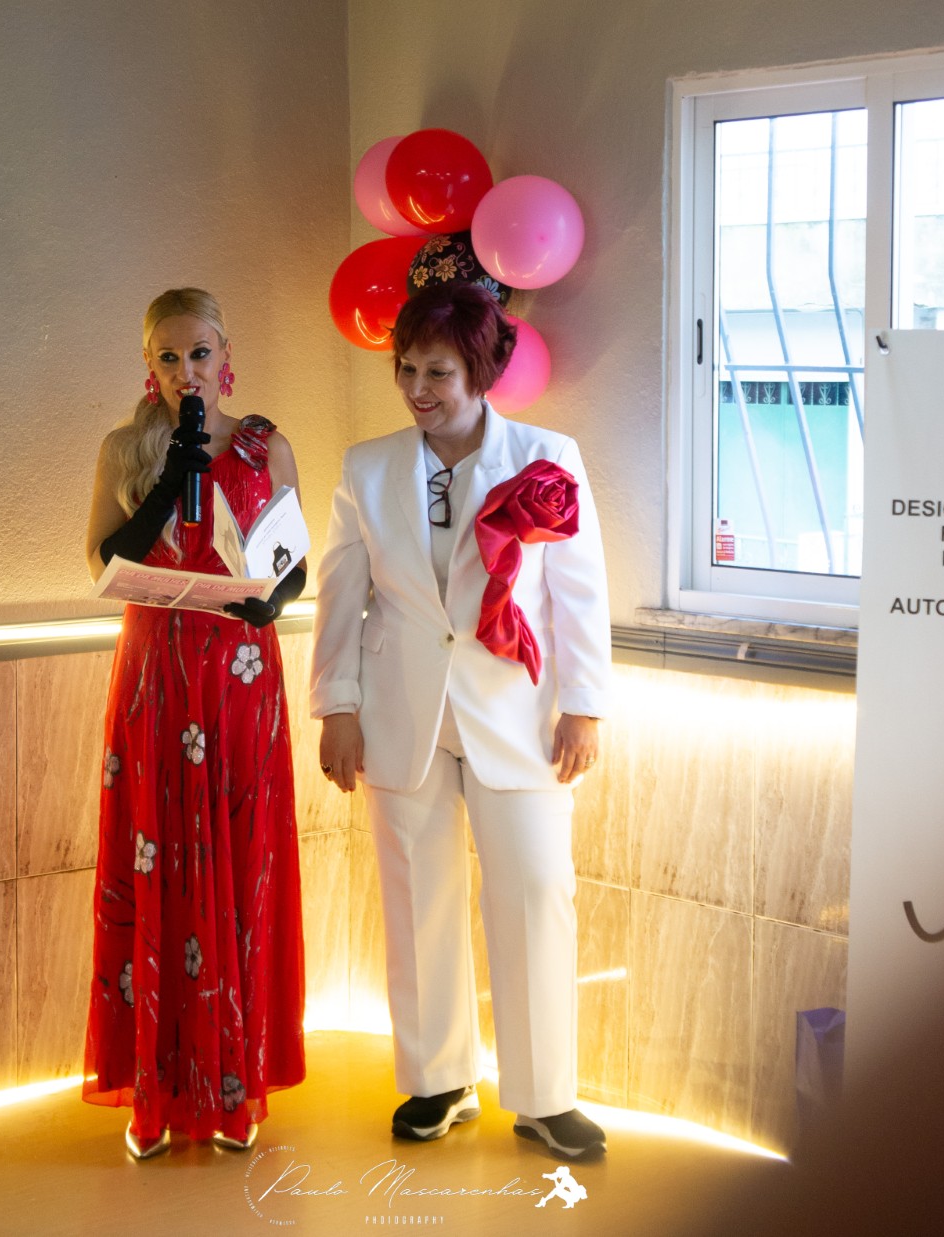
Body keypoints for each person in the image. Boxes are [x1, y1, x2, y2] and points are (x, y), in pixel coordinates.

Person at [311, 282, 612, 1159]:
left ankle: (545, 1095)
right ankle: (438, 1078)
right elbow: (341, 595)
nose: (417, 388)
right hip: (401, 709)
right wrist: (336, 705)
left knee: (535, 890)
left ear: (480, 372)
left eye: (437, 371)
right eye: (406, 368)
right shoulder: (366, 467)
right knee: (416, 895)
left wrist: (585, 703)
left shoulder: (546, 457)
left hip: (516, 712)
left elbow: (580, 591)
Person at [83, 288, 306, 1160]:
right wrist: (174, 476)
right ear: (150, 364)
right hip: (155, 677)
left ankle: (234, 1083)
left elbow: (289, 562)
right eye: (170, 357)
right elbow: (103, 559)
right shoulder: (123, 447)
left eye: (200, 353)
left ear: (225, 354)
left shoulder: (266, 444)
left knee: (241, 863)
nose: (188, 372)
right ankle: (156, 1087)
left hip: (240, 677)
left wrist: (274, 602)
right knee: (156, 857)